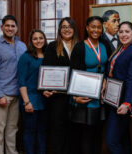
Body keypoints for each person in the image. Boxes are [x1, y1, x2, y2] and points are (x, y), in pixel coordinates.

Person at [0, 15, 27, 154]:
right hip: (2, 94)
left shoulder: (22, 46)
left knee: (12, 129)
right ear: (2, 27)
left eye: (13, 26)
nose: (10, 28)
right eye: (7, 26)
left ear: (17, 28)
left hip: (18, 94)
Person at [69, 16, 110, 154]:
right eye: (93, 26)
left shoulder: (104, 46)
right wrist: (75, 97)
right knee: (84, 135)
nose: (96, 30)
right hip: (84, 97)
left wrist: (105, 80)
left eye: (99, 27)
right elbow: (72, 73)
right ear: (87, 28)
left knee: (97, 133)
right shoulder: (80, 47)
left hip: (100, 97)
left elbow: (107, 68)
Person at [105, 21, 132, 154]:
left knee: (111, 141)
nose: (123, 34)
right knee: (123, 139)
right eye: (121, 32)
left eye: (127, 31)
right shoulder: (120, 49)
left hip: (122, 102)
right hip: (112, 99)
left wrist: (127, 103)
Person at [42, 17, 78, 154]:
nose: (67, 29)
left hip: (75, 95)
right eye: (63, 27)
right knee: (57, 129)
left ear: (74, 29)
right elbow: (46, 68)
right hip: (57, 96)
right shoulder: (53, 46)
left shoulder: (79, 46)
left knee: (73, 129)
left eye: (69, 26)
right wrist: (45, 88)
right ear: (59, 30)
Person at [18, 29, 48, 154]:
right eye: (35, 39)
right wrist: (26, 102)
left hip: (45, 99)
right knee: (29, 131)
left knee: (42, 131)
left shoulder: (48, 55)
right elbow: (21, 81)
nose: (38, 41)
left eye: (41, 38)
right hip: (30, 98)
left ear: (45, 40)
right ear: (31, 41)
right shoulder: (25, 57)